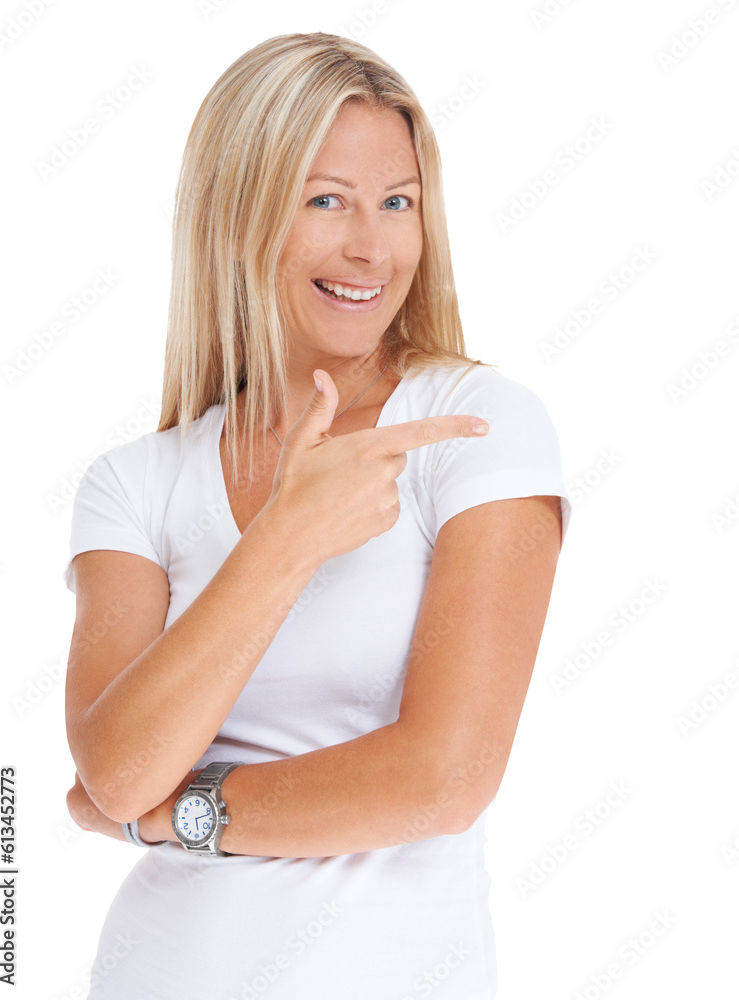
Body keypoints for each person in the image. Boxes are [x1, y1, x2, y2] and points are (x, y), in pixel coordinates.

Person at [63, 31, 571, 999]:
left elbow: (445, 778)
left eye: (398, 203)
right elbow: (118, 774)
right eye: (326, 200)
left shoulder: (471, 428)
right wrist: (286, 539)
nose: (371, 247)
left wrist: (179, 815)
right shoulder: (133, 484)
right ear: (237, 215)